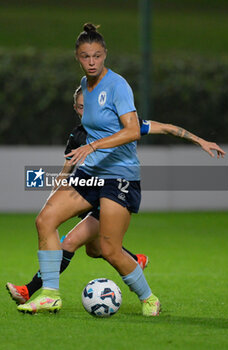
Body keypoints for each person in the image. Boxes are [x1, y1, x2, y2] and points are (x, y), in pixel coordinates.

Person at [7, 81, 225, 307]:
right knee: (92, 249)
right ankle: (134, 260)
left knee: (77, 244)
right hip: (88, 188)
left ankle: (32, 290)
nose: (85, 112)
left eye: (88, 106)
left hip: (116, 189)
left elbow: (167, 128)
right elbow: (67, 169)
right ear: (75, 109)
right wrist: (54, 196)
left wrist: (200, 141)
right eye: (80, 108)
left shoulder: (122, 126)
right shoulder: (79, 135)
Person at [14, 23, 161, 316]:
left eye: (96, 55)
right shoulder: (84, 85)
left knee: (108, 250)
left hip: (120, 177)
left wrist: (93, 147)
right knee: (45, 220)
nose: (91, 62)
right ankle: (50, 294)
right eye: (85, 56)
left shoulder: (118, 86)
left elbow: (132, 131)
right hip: (91, 174)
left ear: (105, 54)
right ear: (77, 57)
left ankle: (148, 298)